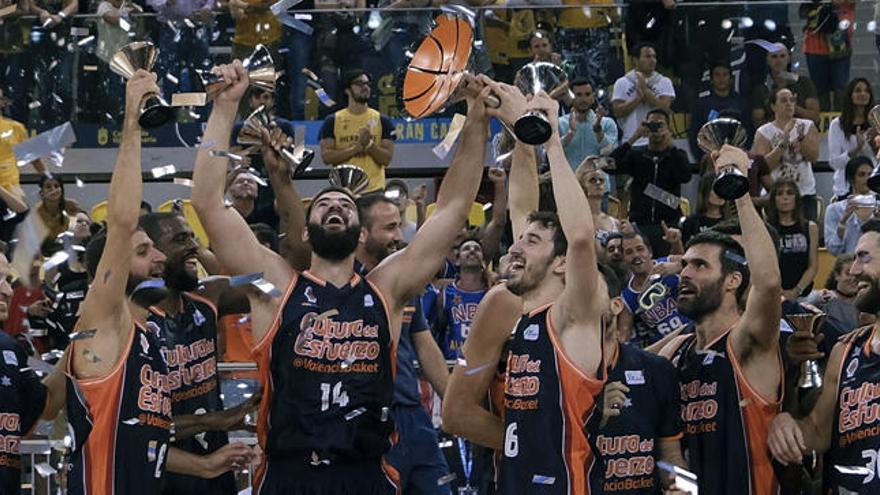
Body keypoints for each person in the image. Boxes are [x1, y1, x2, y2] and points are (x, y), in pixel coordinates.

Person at [190, 61, 493, 493]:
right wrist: (225, 107)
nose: (335, 206)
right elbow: (207, 204)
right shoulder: (277, 287)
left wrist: (477, 119)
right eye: (324, 204)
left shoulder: (386, 289)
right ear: (305, 232)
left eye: (346, 205)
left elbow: (453, 208)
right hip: (289, 474)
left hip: (365, 472)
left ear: (362, 232)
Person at [67, 71, 254, 495]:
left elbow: (145, 440)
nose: (157, 258)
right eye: (141, 251)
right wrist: (132, 120)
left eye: (155, 248)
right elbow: (121, 221)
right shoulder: (101, 324)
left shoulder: (146, 337)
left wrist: (206, 466)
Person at [446, 85, 611, 494]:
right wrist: (522, 133)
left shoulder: (574, 312)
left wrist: (549, 138)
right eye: (520, 241)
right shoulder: (523, 317)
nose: (516, 246)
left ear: (560, 265)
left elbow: (579, 238)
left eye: (532, 243)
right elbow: (522, 210)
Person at [659, 144, 783, 494]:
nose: (685, 273)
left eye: (700, 266)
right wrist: (682, 486)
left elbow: (769, 282)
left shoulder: (746, 342)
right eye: (684, 264)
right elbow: (669, 447)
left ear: (733, 280)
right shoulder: (677, 351)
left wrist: (741, 192)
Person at [139, 212, 255, 495]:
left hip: (215, 471)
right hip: (159, 474)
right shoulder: (133, 319)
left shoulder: (208, 295)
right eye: (181, 239)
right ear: (151, 253)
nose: (193, 245)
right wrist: (215, 420)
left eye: (193, 236)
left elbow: (271, 283)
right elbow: (135, 427)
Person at [767, 219, 880, 493]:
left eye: (864, 258)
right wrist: (784, 423)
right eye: (854, 259)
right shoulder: (845, 350)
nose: (854, 270)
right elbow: (817, 432)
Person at [352, 192, 453, 495]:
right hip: (365, 419)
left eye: (399, 226)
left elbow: (424, 345)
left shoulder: (405, 283)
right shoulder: (342, 283)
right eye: (390, 228)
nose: (399, 236)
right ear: (362, 233)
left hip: (413, 416)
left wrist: (452, 401)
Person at [592, 270, 686, 493]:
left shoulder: (656, 370)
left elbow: (671, 456)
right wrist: (594, 417)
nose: (580, 301)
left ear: (616, 305)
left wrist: (685, 488)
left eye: (590, 291)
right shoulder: (556, 371)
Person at [0, 251, 67, 494]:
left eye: (8, 280)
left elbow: (44, 409)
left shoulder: (10, 350)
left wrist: (79, 345)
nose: (8, 291)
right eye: (0, 280)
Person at [610, 108, 691, 257]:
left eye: (660, 125)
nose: (655, 129)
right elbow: (607, 165)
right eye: (651, 124)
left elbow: (685, 176)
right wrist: (634, 137)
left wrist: (670, 145)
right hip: (640, 224)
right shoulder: (636, 155)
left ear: (668, 128)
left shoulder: (677, 155)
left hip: (668, 224)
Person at [319, 69, 396, 193]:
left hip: (375, 190)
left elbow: (387, 159)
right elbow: (326, 157)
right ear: (347, 90)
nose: (365, 87)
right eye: (359, 84)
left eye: (367, 84)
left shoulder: (382, 120)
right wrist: (355, 148)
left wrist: (369, 145)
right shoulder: (333, 121)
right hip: (344, 190)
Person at [752, 87, 821, 222]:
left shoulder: (807, 125)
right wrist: (784, 142)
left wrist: (801, 141)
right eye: (783, 100)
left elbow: (814, 157)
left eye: (792, 100)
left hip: (805, 193)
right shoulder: (764, 132)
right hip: (775, 195)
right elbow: (763, 167)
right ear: (773, 106)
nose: (789, 104)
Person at [620, 230, 689, 347]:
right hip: (666, 349)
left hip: (693, 332)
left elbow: (702, 261)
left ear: (650, 252)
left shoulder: (667, 262)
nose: (636, 255)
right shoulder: (626, 297)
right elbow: (623, 335)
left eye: (640, 249)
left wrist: (678, 265)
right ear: (624, 259)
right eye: (629, 252)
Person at [434, 237, 490, 360]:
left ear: (483, 261)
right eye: (466, 249)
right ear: (457, 260)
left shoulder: (491, 293)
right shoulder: (445, 294)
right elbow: (438, 330)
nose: (472, 251)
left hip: (484, 363)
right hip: (453, 362)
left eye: (477, 249)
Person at [611, 43, 675, 146]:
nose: (652, 60)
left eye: (654, 57)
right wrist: (638, 99)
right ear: (635, 60)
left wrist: (645, 91)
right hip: (631, 141)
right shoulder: (622, 82)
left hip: (659, 142)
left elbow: (665, 109)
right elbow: (617, 112)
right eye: (648, 56)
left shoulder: (664, 81)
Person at [765, 178, 818, 300]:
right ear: (774, 200)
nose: (785, 197)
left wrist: (796, 291)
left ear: (796, 198)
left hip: (804, 294)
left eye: (790, 193)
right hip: (774, 295)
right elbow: (765, 266)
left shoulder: (810, 227)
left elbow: (813, 266)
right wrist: (779, 291)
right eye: (779, 194)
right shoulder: (765, 229)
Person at [689, 62, 751, 161]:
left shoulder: (742, 103)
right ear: (711, 79)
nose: (721, 79)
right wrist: (701, 159)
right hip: (709, 158)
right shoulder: (701, 104)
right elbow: (694, 134)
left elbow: (748, 132)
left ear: (731, 79)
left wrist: (743, 156)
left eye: (725, 75)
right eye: (717, 75)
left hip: (737, 158)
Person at [800, 0, 854, 111]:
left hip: (840, 41)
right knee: (819, 91)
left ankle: (842, 123)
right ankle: (823, 125)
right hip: (814, 43)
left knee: (841, 90)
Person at [827, 77, 877, 199]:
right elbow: (834, 163)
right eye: (858, 90)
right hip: (845, 188)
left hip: (874, 187)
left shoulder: (876, 123)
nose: (863, 94)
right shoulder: (837, 124)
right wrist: (857, 148)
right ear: (850, 95)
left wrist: (873, 145)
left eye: (866, 91)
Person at [751, 43, 820, 127]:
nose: (778, 60)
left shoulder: (804, 83)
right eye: (774, 56)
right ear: (767, 60)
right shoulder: (761, 89)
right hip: (774, 136)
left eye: (782, 56)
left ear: (789, 59)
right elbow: (758, 123)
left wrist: (793, 108)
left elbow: (815, 118)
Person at [559, 80, 619, 172]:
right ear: (571, 97)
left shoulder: (607, 123)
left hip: (598, 182)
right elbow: (553, 154)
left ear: (593, 97)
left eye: (587, 94)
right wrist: (570, 134)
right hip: (569, 182)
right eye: (578, 95)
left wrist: (598, 131)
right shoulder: (559, 123)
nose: (583, 99)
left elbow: (610, 157)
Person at [824, 156, 877, 255]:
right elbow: (833, 250)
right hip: (849, 266)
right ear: (851, 179)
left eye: (870, 174)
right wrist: (842, 222)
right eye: (862, 175)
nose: (867, 178)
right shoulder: (834, 210)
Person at [806, 253, 860, 333]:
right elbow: (801, 305)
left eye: (857, 274)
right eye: (848, 273)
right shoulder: (824, 298)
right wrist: (816, 297)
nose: (853, 278)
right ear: (837, 275)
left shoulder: (865, 302)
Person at [575, 157, 620, 243]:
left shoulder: (615, 223)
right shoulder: (576, 219)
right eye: (593, 180)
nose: (598, 183)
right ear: (583, 187)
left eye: (601, 180)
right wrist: (581, 170)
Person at [681, 172, 730, 246]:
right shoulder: (691, 222)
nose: (721, 193)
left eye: (724, 188)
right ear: (705, 191)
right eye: (716, 189)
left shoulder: (731, 224)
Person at [36, 175, 81, 243]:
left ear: (61, 190)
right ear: (42, 192)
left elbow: (78, 227)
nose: (53, 189)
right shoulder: (37, 211)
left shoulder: (71, 206)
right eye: (48, 187)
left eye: (56, 186)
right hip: (44, 246)